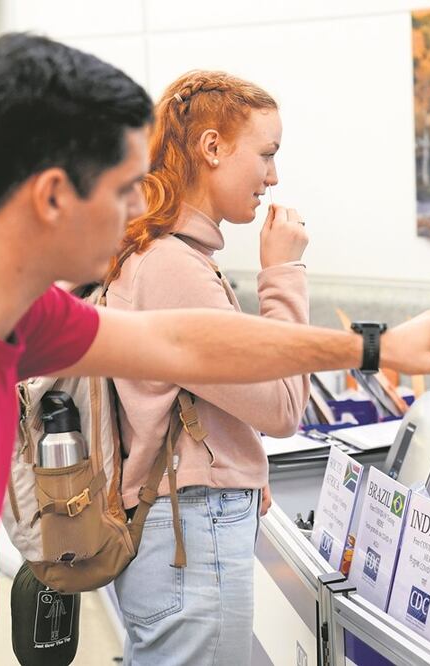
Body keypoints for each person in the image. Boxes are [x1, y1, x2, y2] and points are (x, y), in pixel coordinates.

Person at [0, 34, 430, 666]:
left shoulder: (9, 311)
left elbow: (182, 341)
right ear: (52, 196)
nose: (142, 205)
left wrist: (374, 347)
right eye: (125, 186)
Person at [106, 70, 309, 664]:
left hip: (180, 533)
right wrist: (284, 275)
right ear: (213, 147)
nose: (273, 177)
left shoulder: (165, 252)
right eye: (267, 155)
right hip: (189, 540)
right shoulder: (173, 268)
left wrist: (236, 458)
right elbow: (284, 406)